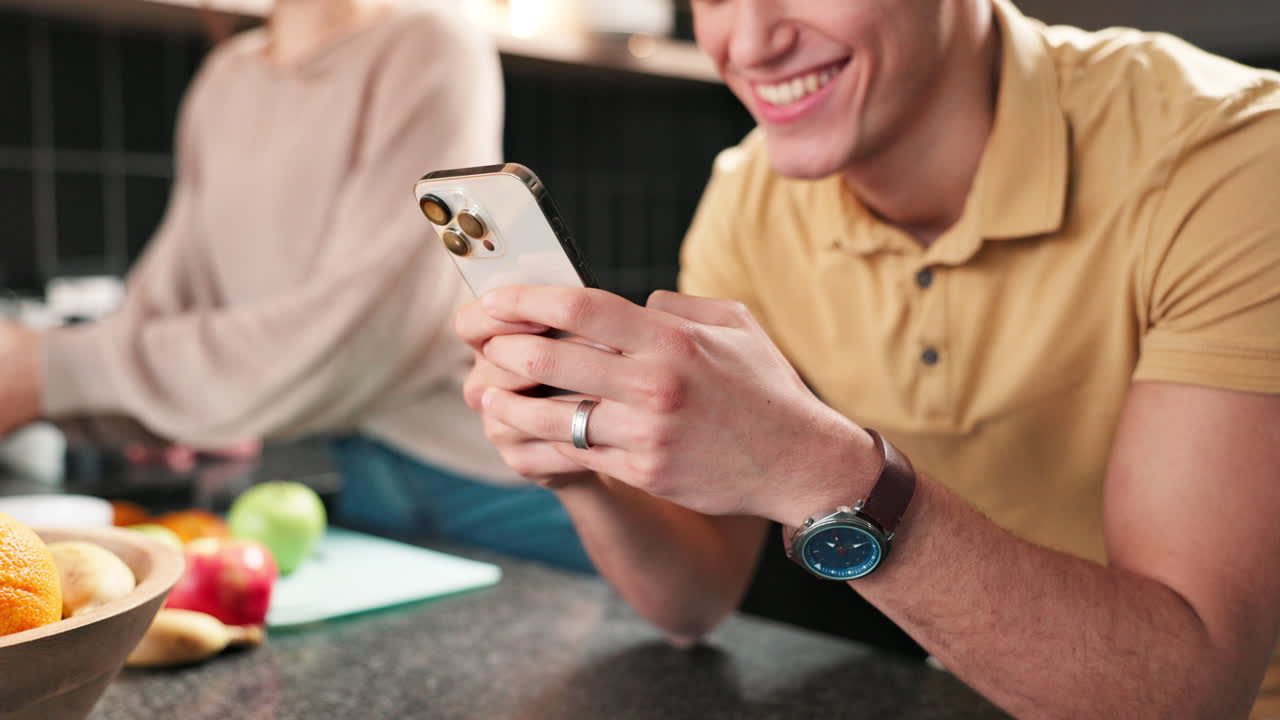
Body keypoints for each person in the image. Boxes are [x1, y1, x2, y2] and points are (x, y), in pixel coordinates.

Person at [456, 0, 1280, 716]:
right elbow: (695, 601)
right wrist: (575, 461)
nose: (749, 41)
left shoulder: (1234, 156)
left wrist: (821, 471)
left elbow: (1185, 696)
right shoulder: (748, 199)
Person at [0, 0, 593, 573]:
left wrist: (48, 372)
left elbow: (366, 334)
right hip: (350, 471)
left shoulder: (430, 40)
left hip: (493, 480)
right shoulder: (226, 76)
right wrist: (61, 383)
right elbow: (164, 303)